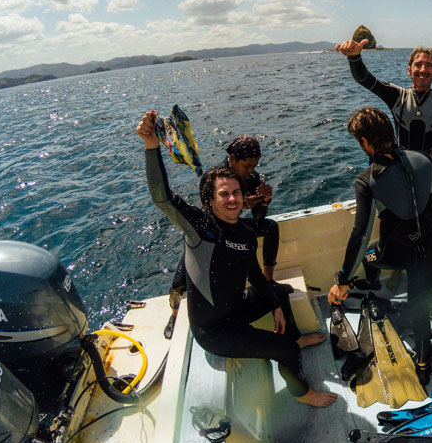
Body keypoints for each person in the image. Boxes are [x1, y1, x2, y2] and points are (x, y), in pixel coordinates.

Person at [136, 111, 336, 408]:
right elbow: (162, 197)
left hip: (236, 308)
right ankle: (303, 393)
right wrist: (151, 144)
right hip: (214, 331)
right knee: (285, 351)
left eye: (237, 194)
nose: (232, 199)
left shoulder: (243, 233)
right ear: (211, 200)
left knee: (279, 292)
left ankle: (295, 337)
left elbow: (255, 274)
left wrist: (275, 306)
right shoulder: (199, 229)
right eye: (224, 194)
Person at [327, 107, 432, 385]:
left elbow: (360, 237)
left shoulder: (366, 179)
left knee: (371, 255)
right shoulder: (424, 158)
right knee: (419, 300)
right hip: (430, 248)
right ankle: (422, 364)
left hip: (395, 253)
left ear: (366, 143)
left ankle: (377, 294)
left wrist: (343, 280)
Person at [164, 135, 282, 339]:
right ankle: (173, 314)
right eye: (246, 166)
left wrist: (263, 202)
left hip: (235, 227)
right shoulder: (212, 177)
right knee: (178, 283)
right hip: (209, 235)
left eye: (254, 166)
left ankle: (268, 281)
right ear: (233, 158)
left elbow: (259, 218)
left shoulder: (252, 178)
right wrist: (242, 203)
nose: (250, 171)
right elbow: (207, 220)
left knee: (271, 227)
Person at [335, 30, 432, 164]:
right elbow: (364, 79)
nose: (423, 69)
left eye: (428, 65)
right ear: (409, 70)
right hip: (401, 172)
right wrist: (354, 58)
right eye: (418, 65)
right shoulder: (397, 96)